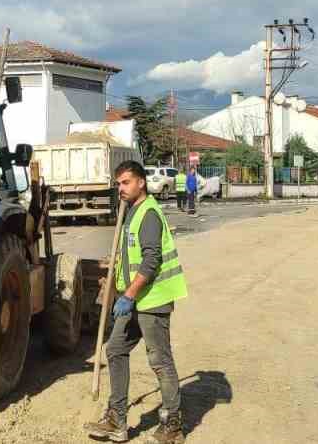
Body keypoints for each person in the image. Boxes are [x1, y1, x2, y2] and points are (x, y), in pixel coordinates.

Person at [85, 160, 188, 444]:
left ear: (141, 182)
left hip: (152, 300)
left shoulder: (150, 214)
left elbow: (152, 259)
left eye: (126, 182)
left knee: (160, 361)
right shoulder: (131, 211)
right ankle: (117, 419)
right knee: (116, 349)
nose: (121, 188)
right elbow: (130, 256)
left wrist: (129, 295)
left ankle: (173, 424)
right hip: (133, 299)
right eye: (118, 183)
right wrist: (115, 282)